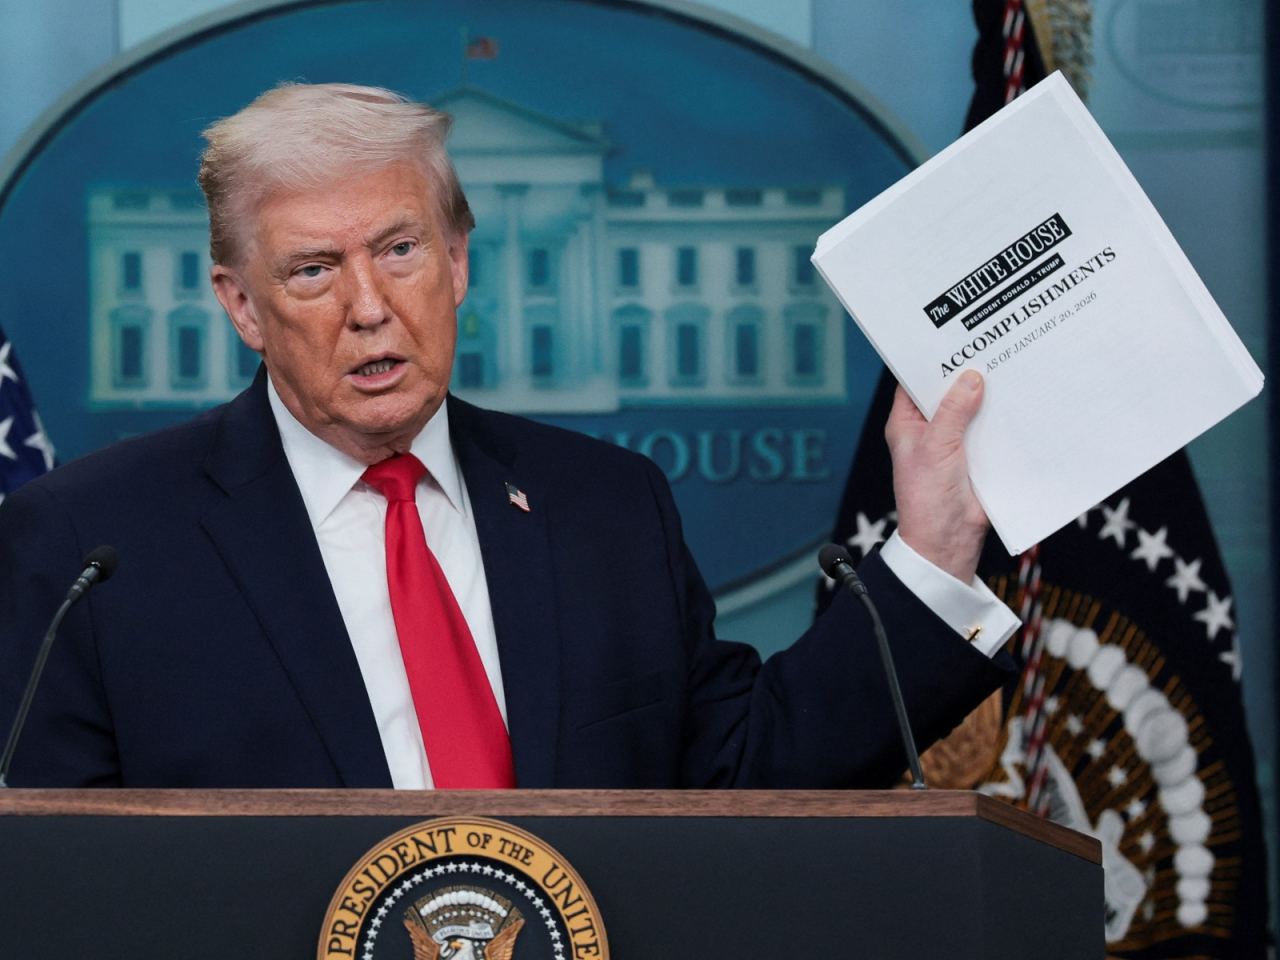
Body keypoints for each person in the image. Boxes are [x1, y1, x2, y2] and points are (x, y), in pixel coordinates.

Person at [0, 83, 1017, 790]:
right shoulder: (95, 547)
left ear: (457, 261)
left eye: (400, 250)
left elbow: (751, 776)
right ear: (242, 308)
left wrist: (930, 549)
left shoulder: (605, 508)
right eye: (312, 270)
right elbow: (55, 875)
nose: (369, 306)